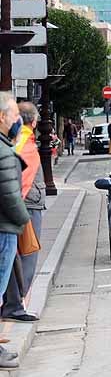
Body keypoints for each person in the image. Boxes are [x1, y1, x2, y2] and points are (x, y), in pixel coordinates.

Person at [0, 94, 32, 369]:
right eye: (14, 115)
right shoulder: (4, 151)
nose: (17, 120)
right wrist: (23, 221)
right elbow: (10, 195)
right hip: (4, 228)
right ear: (2, 117)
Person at [2, 102, 42, 323]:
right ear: (34, 121)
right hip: (26, 206)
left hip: (20, 204)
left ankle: (12, 303)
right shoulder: (25, 141)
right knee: (25, 256)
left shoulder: (18, 139)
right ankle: (16, 305)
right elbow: (20, 178)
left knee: (14, 256)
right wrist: (19, 214)